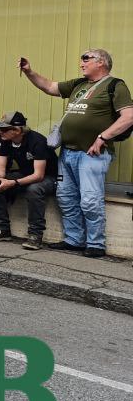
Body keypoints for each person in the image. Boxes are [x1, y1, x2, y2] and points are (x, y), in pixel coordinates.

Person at [20, 50, 133, 257]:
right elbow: (49, 86)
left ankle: (95, 244)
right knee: (66, 197)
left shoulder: (115, 85)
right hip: (68, 152)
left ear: (101, 63)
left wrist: (103, 137)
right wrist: (29, 72)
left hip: (92, 154)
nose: (81, 63)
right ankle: (74, 240)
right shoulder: (78, 84)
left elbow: (128, 117)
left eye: (86, 59)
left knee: (90, 200)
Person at [0, 111, 59, 248]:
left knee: (34, 189)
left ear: (16, 130)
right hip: (25, 174)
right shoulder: (4, 140)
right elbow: (0, 167)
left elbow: (39, 175)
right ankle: (2, 229)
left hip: (49, 177)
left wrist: (13, 183)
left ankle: (35, 234)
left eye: (3, 129)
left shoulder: (37, 141)